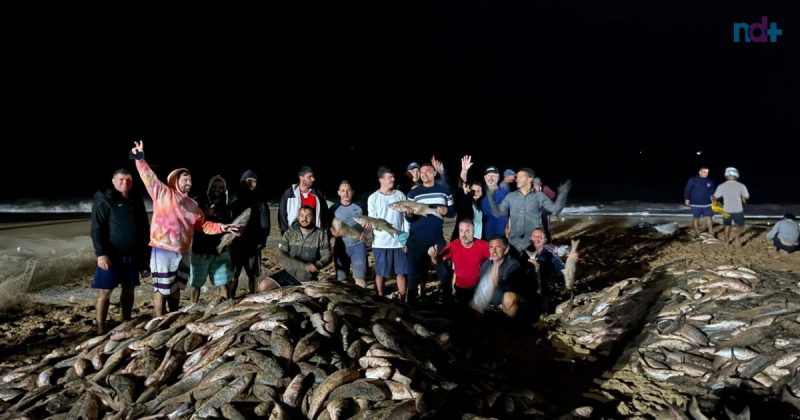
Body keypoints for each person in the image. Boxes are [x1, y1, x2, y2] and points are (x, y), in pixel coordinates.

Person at [130, 141, 240, 316]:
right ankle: (159, 319)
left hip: (183, 251)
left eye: (190, 179)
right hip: (163, 249)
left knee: (177, 287)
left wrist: (222, 227)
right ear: (176, 180)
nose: (189, 181)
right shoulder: (162, 193)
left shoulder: (193, 204)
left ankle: (173, 316)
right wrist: (139, 158)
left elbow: (203, 225)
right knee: (161, 289)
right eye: (185, 178)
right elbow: (148, 176)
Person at [90, 168, 150, 335]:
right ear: (113, 181)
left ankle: (126, 320)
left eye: (129, 180)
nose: (125, 183)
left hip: (133, 253)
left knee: (129, 288)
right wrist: (100, 253)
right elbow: (96, 228)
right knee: (106, 291)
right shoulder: (104, 198)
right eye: (122, 180)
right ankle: (101, 325)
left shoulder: (135, 198)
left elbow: (144, 226)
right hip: (110, 255)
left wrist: (146, 250)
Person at [487, 168, 570, 254]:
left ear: (529, 179)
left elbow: (555, 209)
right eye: (517, 177)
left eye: (521, 177)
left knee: (534, 259)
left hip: (532, 239)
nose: (517, 179)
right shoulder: (511, 196)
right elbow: (497, 213)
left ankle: (552, 248)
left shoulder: (540, 196)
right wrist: (490, 196)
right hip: (515, 241)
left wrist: (563, 193)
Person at [405, 162, 455, 303]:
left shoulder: (444, 190)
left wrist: (447, 211)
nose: (424, 174)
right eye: (422, 172)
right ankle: (411, 302)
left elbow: (452, 213)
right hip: (416, 238)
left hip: (436, 238)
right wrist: (409, 214)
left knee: (443, 270)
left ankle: (448, 300)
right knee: (413, 271)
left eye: (428, 171)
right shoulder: (413, 193)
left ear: (434, 173)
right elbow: (409, 219)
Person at [258, 205, 331, 291]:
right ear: (298, 216)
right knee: (263, 286)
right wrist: (303, 265)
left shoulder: (321, 234)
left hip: (306, 278)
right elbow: (282, 255)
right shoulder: (289, 233)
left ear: (314, 218)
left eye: (308, 216)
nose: (304, 219)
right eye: (302, 215)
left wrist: (318, 264)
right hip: (289, 273)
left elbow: (327, 254)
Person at [188, 175, 233, 304]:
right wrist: (205, 212)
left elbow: (230, 226)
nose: (217, 189)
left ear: (224, 189)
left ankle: (224, 308)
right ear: (209, 188)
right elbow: (192, 218)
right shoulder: (199, 201)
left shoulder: (227, 206)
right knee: (196, 284)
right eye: (214, 186)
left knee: (223, 283)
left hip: (220, 251)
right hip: (201, 251)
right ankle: (192, 308)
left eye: (220, 187)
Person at [366, 166, 410, 297]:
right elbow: (372, 220)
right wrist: (369, 226)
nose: (393, 179)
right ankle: (380, 296)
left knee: (401, 272)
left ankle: (403, 296)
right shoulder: (373, 198)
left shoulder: (400, 195)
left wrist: (405, 238)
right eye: (390, 177)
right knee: (381, 273)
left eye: (393, 176)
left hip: (399, 242)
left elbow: (405, 219)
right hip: (381, 243)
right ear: (381, 180)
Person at [228, 170, 271, 297]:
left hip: (252, 244)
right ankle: (231, 298)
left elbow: (265, 222)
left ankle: (252, 298)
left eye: (254, 181)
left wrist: (262, 241)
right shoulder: (234, 198)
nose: (252, 184)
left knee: (252, 274)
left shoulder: (258, 199)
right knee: (234, 274)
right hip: (236, 244)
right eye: (249, 181)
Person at [428, 219, 490, 305]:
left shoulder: (482, 245)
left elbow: (496, 258)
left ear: (473, 231)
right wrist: (433, 256)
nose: (464, 235)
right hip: (460, 288)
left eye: (467, 231)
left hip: (478, 288)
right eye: (461, 231)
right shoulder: (454, 245)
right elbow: (438, 261)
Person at [329, 180, 368, 287]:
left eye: (348, 190)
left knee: (360, 278)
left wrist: (365, 232)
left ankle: (363, 301)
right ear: (339, 193)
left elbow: (369, 223)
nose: (346, 193)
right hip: (341, 247)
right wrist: (333, 236)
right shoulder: (333, 209)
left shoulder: (361, 206)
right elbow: (329, 227)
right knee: (342, 280)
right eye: (343, 191)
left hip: (358, 246)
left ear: (353, 192)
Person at [522, 228, 565, 315]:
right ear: (530, 239)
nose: (537, 239)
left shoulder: (550, 253)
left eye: (540, 237)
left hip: (545, 286)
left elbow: (561, 270)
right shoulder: (524, 253)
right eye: (534, 236)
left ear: (545, 239)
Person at [479, 236, 523, 317]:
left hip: (507, 303)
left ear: (506, 250)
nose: (494, 251)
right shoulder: (486, 264)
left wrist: (500, 282)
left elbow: (515, 290)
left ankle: (509, 325)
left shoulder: (513, 265)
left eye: (498, 247)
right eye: (491, 247)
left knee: (508, 297)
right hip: (491, 305)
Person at [278, 165, 329, 235]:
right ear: (301, 178)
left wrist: (325, 231)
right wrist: (285, 232)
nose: (313, 179)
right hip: (294, 234)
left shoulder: (318, 193)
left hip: (315, 234)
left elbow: (325, 215)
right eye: (309, 177)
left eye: (313, 176)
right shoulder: (289, 193)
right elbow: (282, 214)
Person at [713, 167, 749, 245]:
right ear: (736, 175)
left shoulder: (721, 186)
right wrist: (742, 197)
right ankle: (737, 239)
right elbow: (746, 197)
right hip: (738, 209)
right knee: (740, 225)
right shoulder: (741, 185)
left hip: (726, 209)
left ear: (726, 175)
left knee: (727, 225)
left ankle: (726, 241)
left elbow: (715, 197)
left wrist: (716, 204)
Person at [452, 155, 484, 240]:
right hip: (463, 241)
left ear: (481, 193)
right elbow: (461, 187)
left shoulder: (479, 206)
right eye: (473, 190)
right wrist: (464, 171)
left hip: (476, 240)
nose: (475, 193)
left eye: (478, 191)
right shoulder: (466, 201)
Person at [683, 167, 715, 236]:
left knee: (709, 217)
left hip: (707, 204)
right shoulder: (693, 180)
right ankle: (697, 232)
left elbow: (712, 191)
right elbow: (687, 189)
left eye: (707, 172)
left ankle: (711, 231)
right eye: (704, 172)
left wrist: (713, 199)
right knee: (696, 217)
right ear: (700, 172)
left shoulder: (709, 181)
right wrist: (686, 198)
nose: (706, 173)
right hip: (695, 204)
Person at [481, 165, 509, 239]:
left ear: (498, 177)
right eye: (488, 175)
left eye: (493, 176)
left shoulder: (505, 192)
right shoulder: (480, 193)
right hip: (488, 235)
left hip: (505, 234)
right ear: (485, 178)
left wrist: (510, 225)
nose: (490, 178)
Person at [533, 177, 557, 242]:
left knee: (544, 215)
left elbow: (554, 195)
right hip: (540, 209)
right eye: (534, 184)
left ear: (540, 184)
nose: (536, 186)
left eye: (537, 184)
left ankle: (549, 239)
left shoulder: (545, 188)